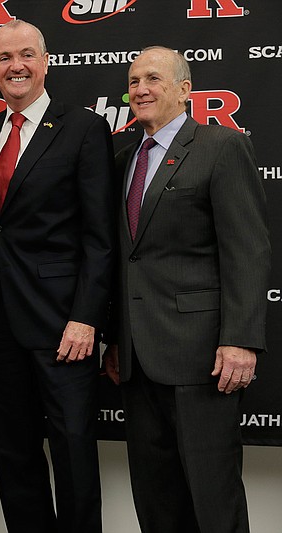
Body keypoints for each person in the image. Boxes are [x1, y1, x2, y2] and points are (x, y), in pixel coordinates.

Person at [102, 46, 270, 533]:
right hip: (136, 361)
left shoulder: (220, 147)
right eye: (133, 81)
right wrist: (116, 336)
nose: (141, 90)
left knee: (212, 499)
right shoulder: (122, 159)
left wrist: (240, 339)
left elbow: (247, 250)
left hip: (203, 360)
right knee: (156, 503)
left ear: (184, 89)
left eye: (153, 79)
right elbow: (127, 260)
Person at [0, 20, 115, 533]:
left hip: (62, 327)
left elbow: (101, 238)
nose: (16, 66)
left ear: (46, 61)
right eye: (5, 58)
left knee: (73, 449)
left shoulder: (83, 128)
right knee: (13, 451)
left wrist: (86, 319)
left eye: (26, 54)